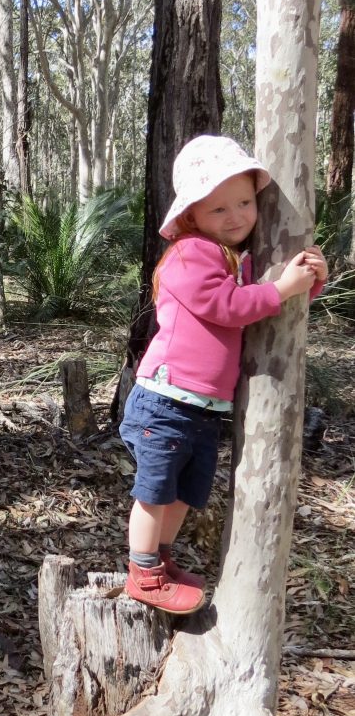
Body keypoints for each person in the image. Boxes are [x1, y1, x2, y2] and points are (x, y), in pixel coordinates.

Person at [120, 135, 328, 615]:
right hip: (166, 399)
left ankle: (161, 559)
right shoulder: (191, 254)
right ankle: (142, 571)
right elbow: (228, 306)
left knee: (185, 494)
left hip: (202, 407)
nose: (236, 216)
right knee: (155, 492)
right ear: (191, 215)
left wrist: (305, 283)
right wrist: (280, 289)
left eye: (244, 202)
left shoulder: (233, 256)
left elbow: (261, 311)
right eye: (219, 209)